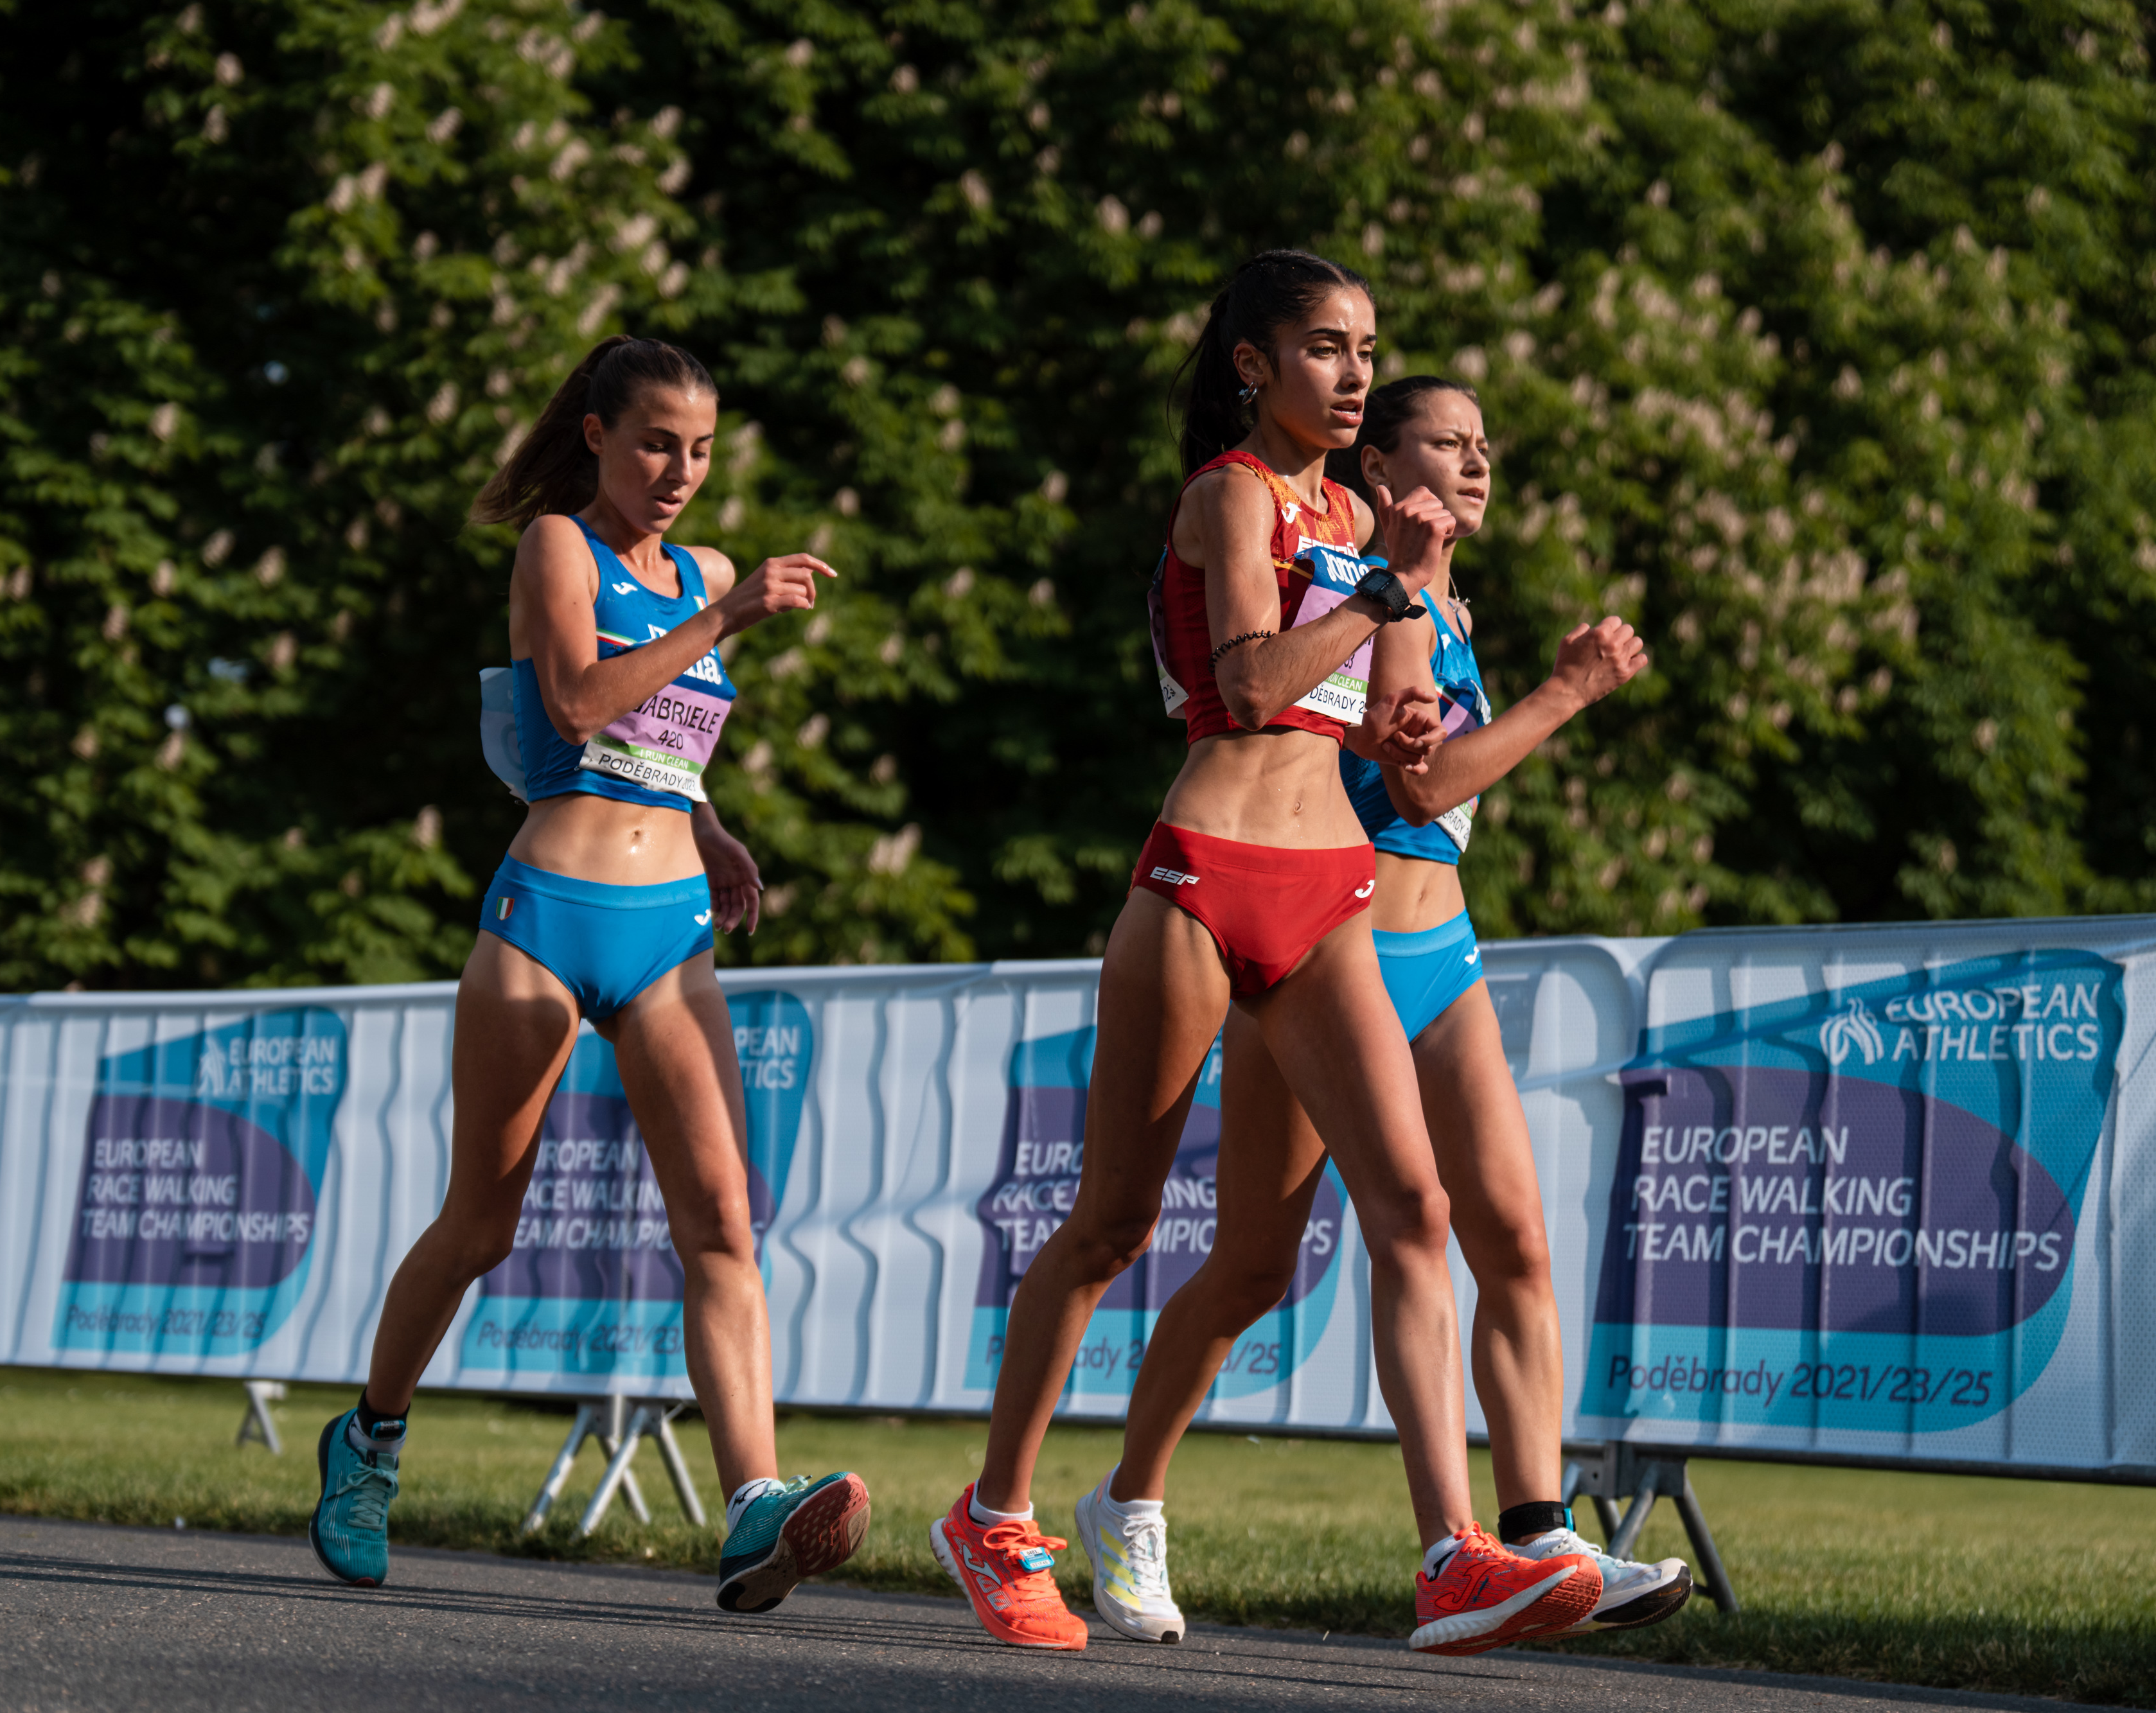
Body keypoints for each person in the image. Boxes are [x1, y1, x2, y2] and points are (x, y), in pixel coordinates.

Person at [930, 251, 1602, 1656]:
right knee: (1114, 1223)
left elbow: (1381, 732)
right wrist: (1379, 594)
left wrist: (1403, 699)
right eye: (1325, 348)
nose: (1354, 375)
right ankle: (993, 1516)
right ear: (1254, 365)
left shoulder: (1359, 513)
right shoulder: (1230, 494)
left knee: (1412, 1208)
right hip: (1200, 878)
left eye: (1367, 351)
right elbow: (1245, 683)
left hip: (1329, 891)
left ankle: (1451, 1555)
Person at [1066, 374, 1686, 1653]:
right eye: (1446, 442)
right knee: (1251, 1265)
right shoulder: (1367, 584)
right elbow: (1419, 792)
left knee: (1509, 1236)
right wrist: (1564, 696)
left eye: (1484, 443)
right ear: (1382, 469)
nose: (1476, 462)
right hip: (1328, 950)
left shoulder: (1451, 603)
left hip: (1440, 953)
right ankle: (1126, 1498)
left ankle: (1534, 1534)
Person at [308, 336, 869, 1613]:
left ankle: (752, 1506)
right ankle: (369, 1438)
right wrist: (723, 620)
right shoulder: (559, 548)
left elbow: (660, 731)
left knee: (721, 1221)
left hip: (670, 926)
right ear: (600, 436)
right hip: (548, 916)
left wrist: (708, 822)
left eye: (702, 449)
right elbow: (572, 705)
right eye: (657, 442)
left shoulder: (703, 569)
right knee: (482, 1222)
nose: (679, 471)